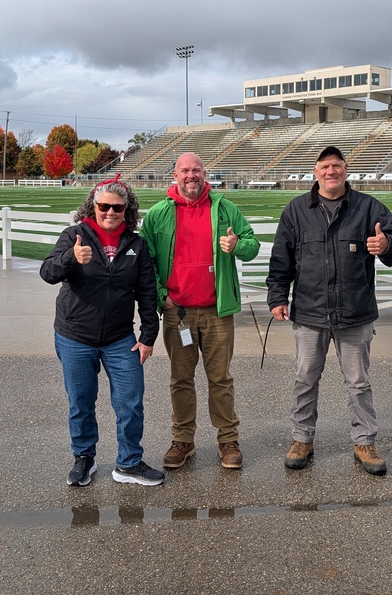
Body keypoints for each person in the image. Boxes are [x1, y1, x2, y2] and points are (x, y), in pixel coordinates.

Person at [267, 146, 392, 475]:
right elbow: (281, 259)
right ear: (315, 172)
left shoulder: (368, 207)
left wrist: (386, 245)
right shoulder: (297, 210)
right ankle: (302, 439)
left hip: (354, 312)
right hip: (310, 312)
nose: (331, 172)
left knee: (358, 382)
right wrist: (277, 297)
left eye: (337, 166)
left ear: (346, 169)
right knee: (305, 379)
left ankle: (364, 442)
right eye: (324, 166)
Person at [40, 176, 164, 487]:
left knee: (130, 401)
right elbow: (47, 272)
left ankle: (129, 462)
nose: (110, 212)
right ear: (93, 206)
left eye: (117, 207)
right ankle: (84, 457)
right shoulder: (74, 236)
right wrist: (71, 259)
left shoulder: (137, 245)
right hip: (75, 336)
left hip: (120, 338)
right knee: (81, 400)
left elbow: (147, 293)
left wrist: (148, 336)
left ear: (127, 210)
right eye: (103, 206)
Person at [140, 152, 259, 470]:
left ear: (205, 173)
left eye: (196, 170)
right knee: (181, 379)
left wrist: (238, 247)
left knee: (220, 378)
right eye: (185, 170)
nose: (191, 175)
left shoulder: (225, 208)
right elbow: (144, 261)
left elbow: (252, 245)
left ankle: (228, 440)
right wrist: (162, 296)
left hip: (217, 312)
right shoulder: (157, 215)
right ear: (175, 176)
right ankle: (183, 441)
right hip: (179, 314)